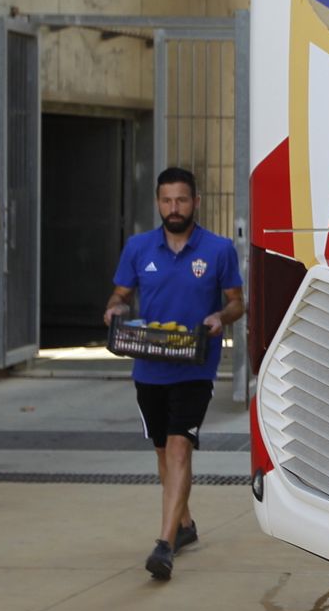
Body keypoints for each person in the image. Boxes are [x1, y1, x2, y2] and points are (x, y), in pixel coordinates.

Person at [103, 167, 244, 581]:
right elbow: (121, 294)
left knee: (180, 446)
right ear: (158, 203)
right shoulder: (138, 247)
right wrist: (115, 309)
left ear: (196, 202)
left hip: (196, 363)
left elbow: (238, 302)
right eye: (166, 201)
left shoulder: (217, 250)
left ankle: (164, 546)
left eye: (181, 200)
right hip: (149, 363)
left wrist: (221, 316)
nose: (174, 208)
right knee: (164, 450)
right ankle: (184, 524)